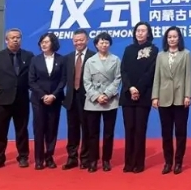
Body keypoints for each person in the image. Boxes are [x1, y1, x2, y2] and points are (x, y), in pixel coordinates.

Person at [0, 28, 35, 169]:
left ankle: (23, 157)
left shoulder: (29, 56)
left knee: (21, 130)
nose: (15, 40)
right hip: (2, 99)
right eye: (12, 38)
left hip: (21, 99)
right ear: (6, 40)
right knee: (0, 131)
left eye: (18, 37)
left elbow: (33, 74)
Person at [152, 26, 191, 174]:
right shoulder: (160, 55)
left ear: (179, 38)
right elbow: (157, 76)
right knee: (166, 132)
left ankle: (178, 162)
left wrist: (188, 95)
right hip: (164, 98)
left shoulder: (186, 54)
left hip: (180, 98)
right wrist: (155, 96)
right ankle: (168, 162)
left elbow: (188, 76)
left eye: (175, 37)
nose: (172, 39)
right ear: (166, 39)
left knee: (180, 132)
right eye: (169, 37)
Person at [120, 22, 158, 173]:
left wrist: (138, 89)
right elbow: (123, 70)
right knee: (129, 129)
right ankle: (128, 163)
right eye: (138, 30)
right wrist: (130, 88)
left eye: (143, 31)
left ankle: (139, 163)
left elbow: (150, 72)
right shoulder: (128, 49)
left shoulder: (153, 50)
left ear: (148, 33)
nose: (140, 33)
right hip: (127, 95)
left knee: (140, 130)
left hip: (144, 95)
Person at [83, 32, 122, 172]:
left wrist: (106, 94)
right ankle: (93, 160)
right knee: (93, 133)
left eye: (106, 42)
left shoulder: (115, 60)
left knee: (108, 133)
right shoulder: (90, 61)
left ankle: (106, 160)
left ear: (110, 44)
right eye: (101, 42)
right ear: (96, 45)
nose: (104, 45)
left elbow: (118, 79)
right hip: (93, 101)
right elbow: (86, 82)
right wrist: (97, 96)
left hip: (110, 100)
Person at [29, 32, 66, 170]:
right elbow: (31, 81)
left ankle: (49, 157)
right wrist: (43, 96)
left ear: (53, 43)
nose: (43, 44)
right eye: (42, 42)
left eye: (46, 42)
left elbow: (63, 80)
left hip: (55, 100)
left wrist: (53, 95)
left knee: (52, 128)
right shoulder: (35, 60)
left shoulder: (61, 60)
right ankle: (39, 159)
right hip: (38, 100)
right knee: (39, 129)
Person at [62, 29, 95, 169]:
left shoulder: (94, 56)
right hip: (71, 98)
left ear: (87, 40)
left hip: (87, 98)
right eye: (76, 40)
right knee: (72, 129)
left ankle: (85, 158)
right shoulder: (68, 58)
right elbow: (63, 79)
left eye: (81, 40)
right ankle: (72, 158)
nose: (78, 43)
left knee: (86, 129)